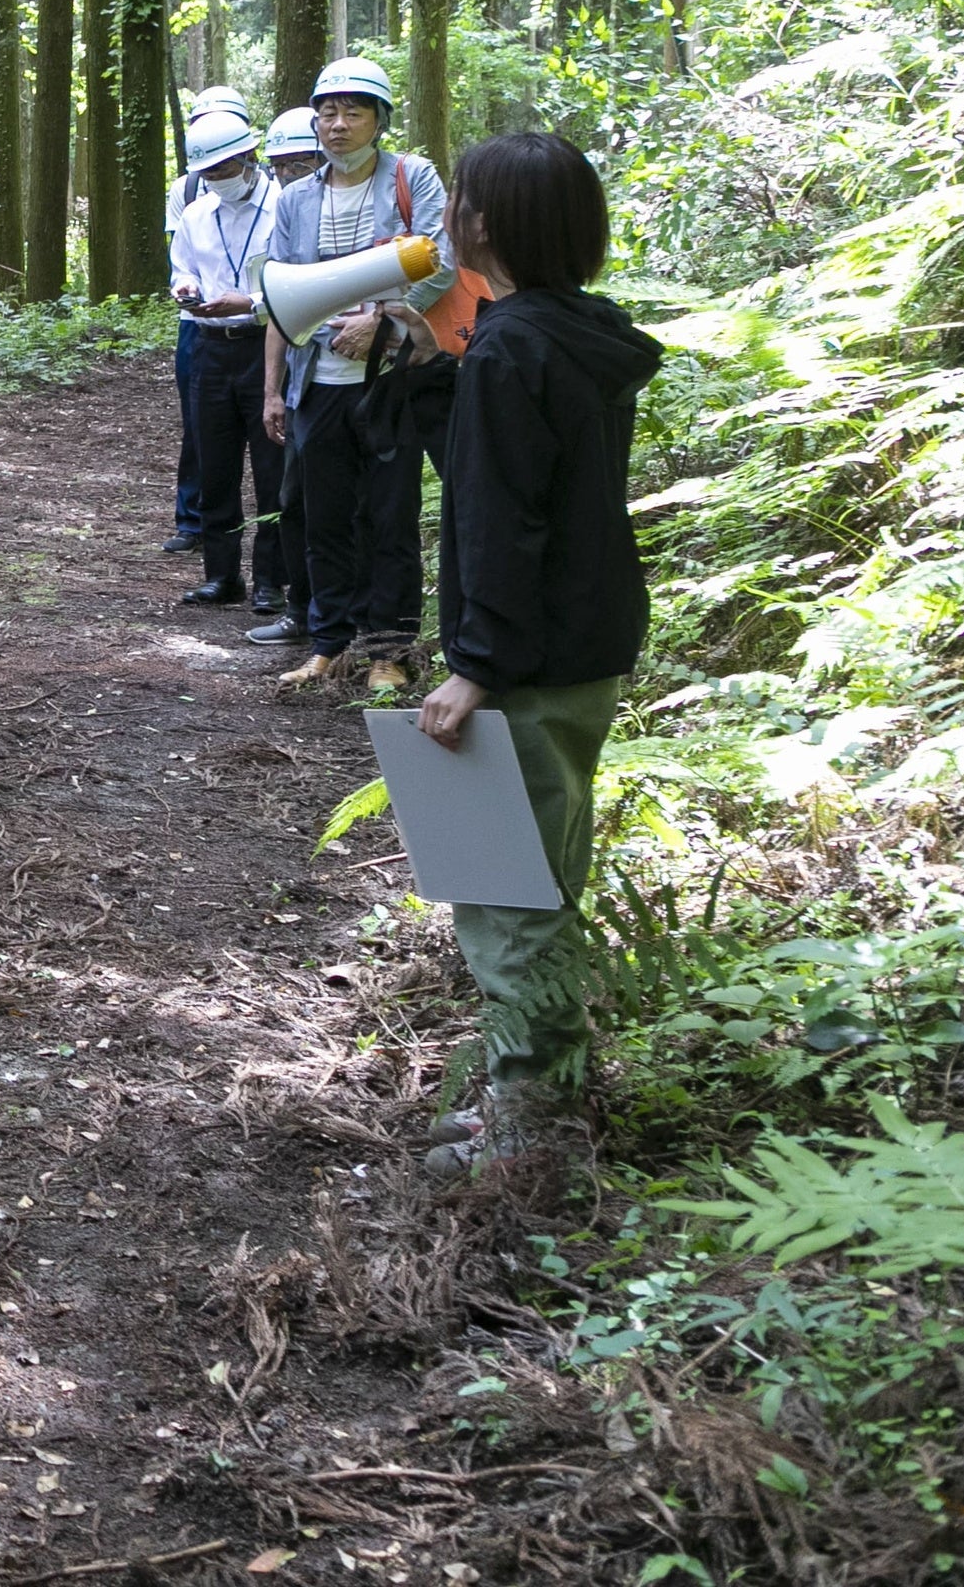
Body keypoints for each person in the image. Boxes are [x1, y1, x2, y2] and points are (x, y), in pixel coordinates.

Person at [413, 134, 660, 1182]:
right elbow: (514, 467)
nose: (452, 211)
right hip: (585, 647)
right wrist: (433, 369)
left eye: (462, 198)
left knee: (506, 890)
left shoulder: (514, 348)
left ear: (484, 224)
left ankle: (527, 1129)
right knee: (547, 874)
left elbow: (502, 518)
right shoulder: (576, 334)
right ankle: (542, 1088)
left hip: (525, 659)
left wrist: (475, 662)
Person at [259, 57, 455, 696]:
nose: (337, 124)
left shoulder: (411, 176)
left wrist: (389, 321)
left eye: (353, 112)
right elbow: (284, 292)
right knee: (324, 515)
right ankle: (329, 644)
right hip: (319, 381)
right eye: (327, 112)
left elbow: (442, 259)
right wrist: (274, 387)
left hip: (389, 381)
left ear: (379, 120)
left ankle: (388, 651)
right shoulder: (295, 197)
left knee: (389, 515)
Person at [168, 112, 286, 614]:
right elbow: (182, 267)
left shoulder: (284, 205)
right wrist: (186, 289)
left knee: (271, 467)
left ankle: (270, 582)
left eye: (225, 168)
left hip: (265, 344)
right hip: (209, 348)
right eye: (209, 173)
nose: (218, 179)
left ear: (248, 158)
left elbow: (294, 282)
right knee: (214, 464)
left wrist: (251, 302)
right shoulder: (197, 214)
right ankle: (221, 575)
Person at [244, 108, 327, 652]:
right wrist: (273, 391)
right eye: (279, 166)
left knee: (364, 510)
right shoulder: (291, 210)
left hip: (371, 381)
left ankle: (363, 628)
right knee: (295, 499)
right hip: (306, 381)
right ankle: (302, 610)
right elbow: (280, 305)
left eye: (298, 164)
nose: (288, 175)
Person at [164, 84, 249, 554]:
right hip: (200, 326)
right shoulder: (188, 188)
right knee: (199, 423)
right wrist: (186, 288)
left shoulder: (277, 195)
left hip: (258, 324)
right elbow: (183, 252)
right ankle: (192, 519)